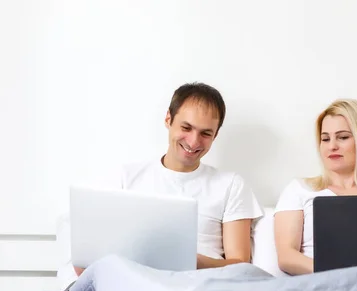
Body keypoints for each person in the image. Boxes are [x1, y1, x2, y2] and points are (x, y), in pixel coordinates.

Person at [68, 82, 263, 278]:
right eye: (186, 127)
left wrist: (193, 261)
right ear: (168, 119)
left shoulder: (231, 185)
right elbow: (88, 261)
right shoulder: (126, 178)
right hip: (136, 283)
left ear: (216, 135)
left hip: (202, 288)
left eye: (205, 133)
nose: (194, 142)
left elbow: (240, 267)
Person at [273, 99, 357, 275]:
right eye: (325, 139)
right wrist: (342, 275)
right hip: (319, 284)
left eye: (342, 137)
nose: (332, 146)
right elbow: (287, 257)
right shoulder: (299, 189)